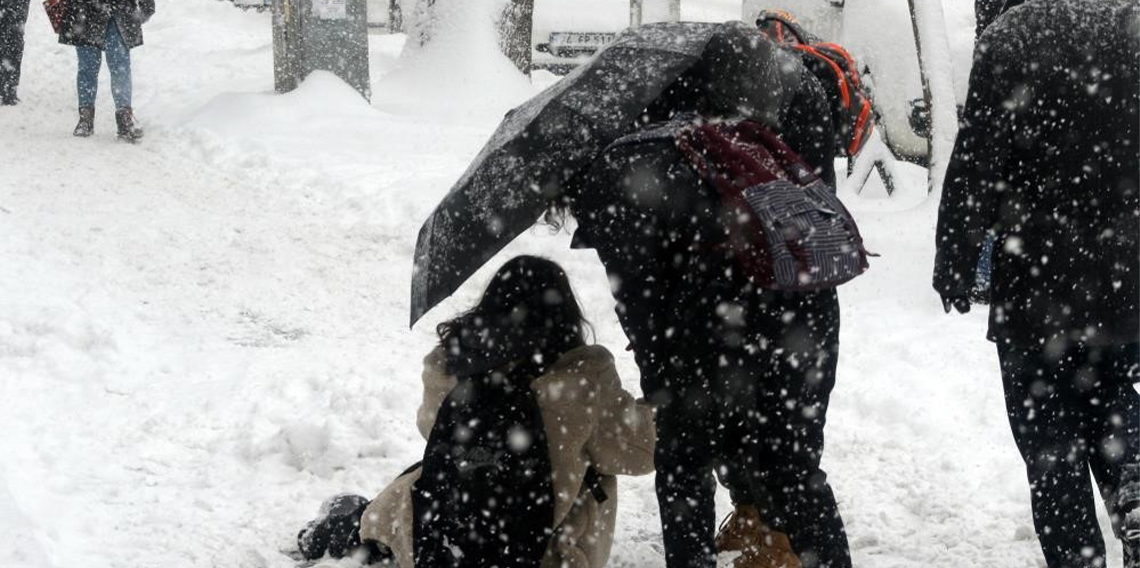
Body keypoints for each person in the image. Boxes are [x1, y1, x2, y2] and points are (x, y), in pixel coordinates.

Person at [562, 22, 853, 568]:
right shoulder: (761, 146)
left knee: (684, 463)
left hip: (707, 326)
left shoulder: (623, 166)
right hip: (803, 319)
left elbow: (641, 299)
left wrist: (662, 380)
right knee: (792, 467)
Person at [933, 1, 1139, 567]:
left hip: (1035, 274)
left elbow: (975, 157)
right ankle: (1133, 472)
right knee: (1115, 399)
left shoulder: (1011, 35)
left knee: (1052, 443)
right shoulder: (1129, 22)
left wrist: (954, 255)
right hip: (1124, 268)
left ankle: (1077, 557)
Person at [297, 256, 657, 568]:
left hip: (441, 540)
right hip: (543, 555)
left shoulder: (453, 364)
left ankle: (350, 526)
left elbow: (429, 426)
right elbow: (640, 453)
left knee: (413, 487)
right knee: (593, 458)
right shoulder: (583, 381)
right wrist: (654, 401)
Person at [57, 0, 154, 140]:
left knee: (119, 67)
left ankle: (123, 117)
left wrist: (146, 6)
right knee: (89, 67)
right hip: (86, 11)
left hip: (117, 11)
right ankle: (86, 117)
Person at [0, 0, 30, 105]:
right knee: (10, 49)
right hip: (12, 12)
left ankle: (10, 89)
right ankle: (8, 89)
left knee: (14, 50)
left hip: (17, 13)